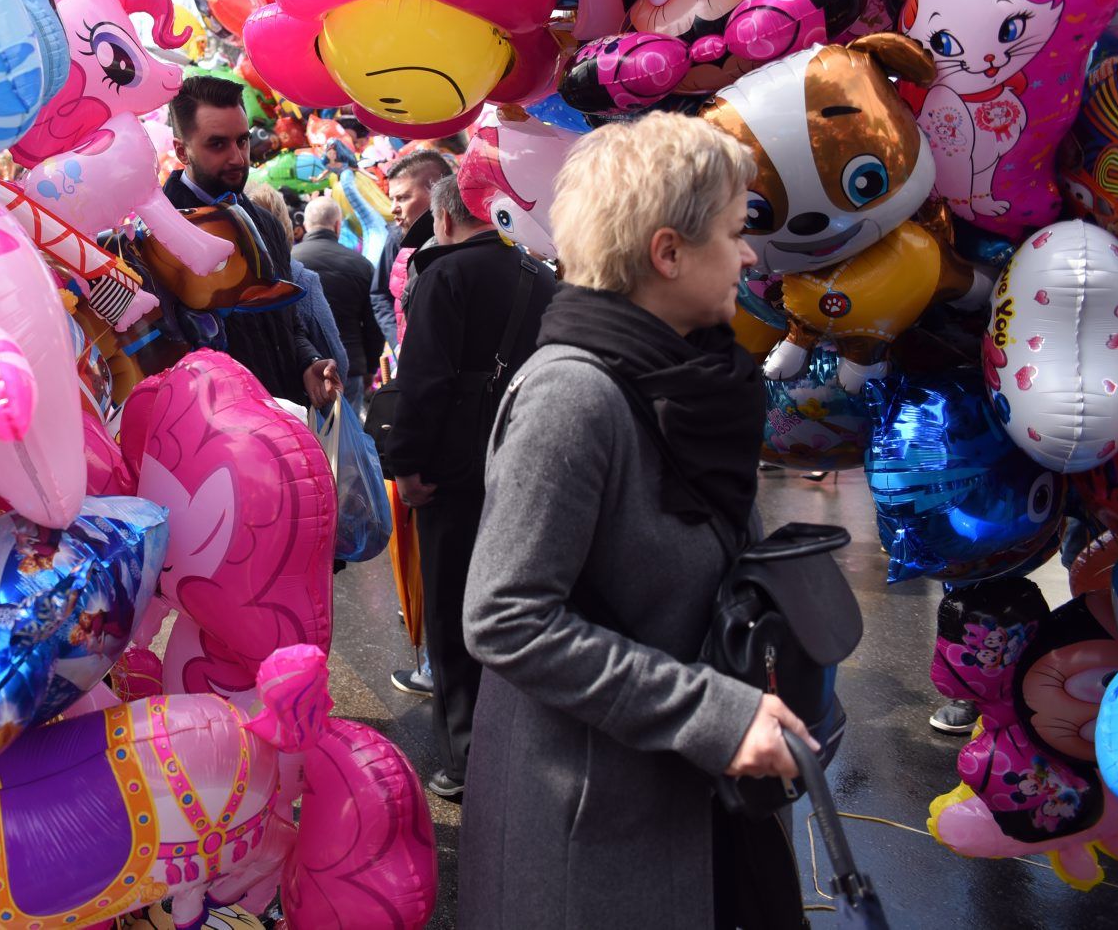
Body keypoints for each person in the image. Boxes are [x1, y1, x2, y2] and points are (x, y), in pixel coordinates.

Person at [459, 114, 814, 929]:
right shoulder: (574, 395)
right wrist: (716, 715)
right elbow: (506, 617)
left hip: (697, 801)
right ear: (667, 252)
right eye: (735, 231)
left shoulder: (690, 378)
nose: (752, 253)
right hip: (601, 826)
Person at [384, 175, 555, 800]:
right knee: (519, 599)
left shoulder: (444, 275)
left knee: (454, 613)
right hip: (524, 457)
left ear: (447, 220)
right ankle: (522, 741)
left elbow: (423, 378)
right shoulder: (541, 275)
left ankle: (465, 758)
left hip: (452, 472)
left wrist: (405, 460)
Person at [164, 75, 342, 408]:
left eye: (242, 141)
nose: (236, 157)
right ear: (181, 151)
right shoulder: (158, 234)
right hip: (217, 435)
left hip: (288, 414)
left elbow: (289, 320)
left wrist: (307, 362)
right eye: (217, 144)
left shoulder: (266, 223)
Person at [244, 180, 348, 382]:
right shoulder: (300, 278)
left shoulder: (222, 279)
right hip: (295, 403)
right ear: (285, 224)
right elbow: (334, 361)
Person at [293, 196, 386, 414]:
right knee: (346, 437)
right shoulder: (360, 264)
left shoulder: (291, 262)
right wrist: (370, 368)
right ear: (337, 225)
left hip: (305, 367)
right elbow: (373, 324)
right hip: (350, 366)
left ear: (306, 225)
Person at [371, 149, 451, 346]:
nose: (393, 208)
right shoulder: (396, 238)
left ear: (436, 192)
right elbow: (379, 294)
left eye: (403, 197)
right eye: (392, 198)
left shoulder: (471, 240)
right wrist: (399, 344)